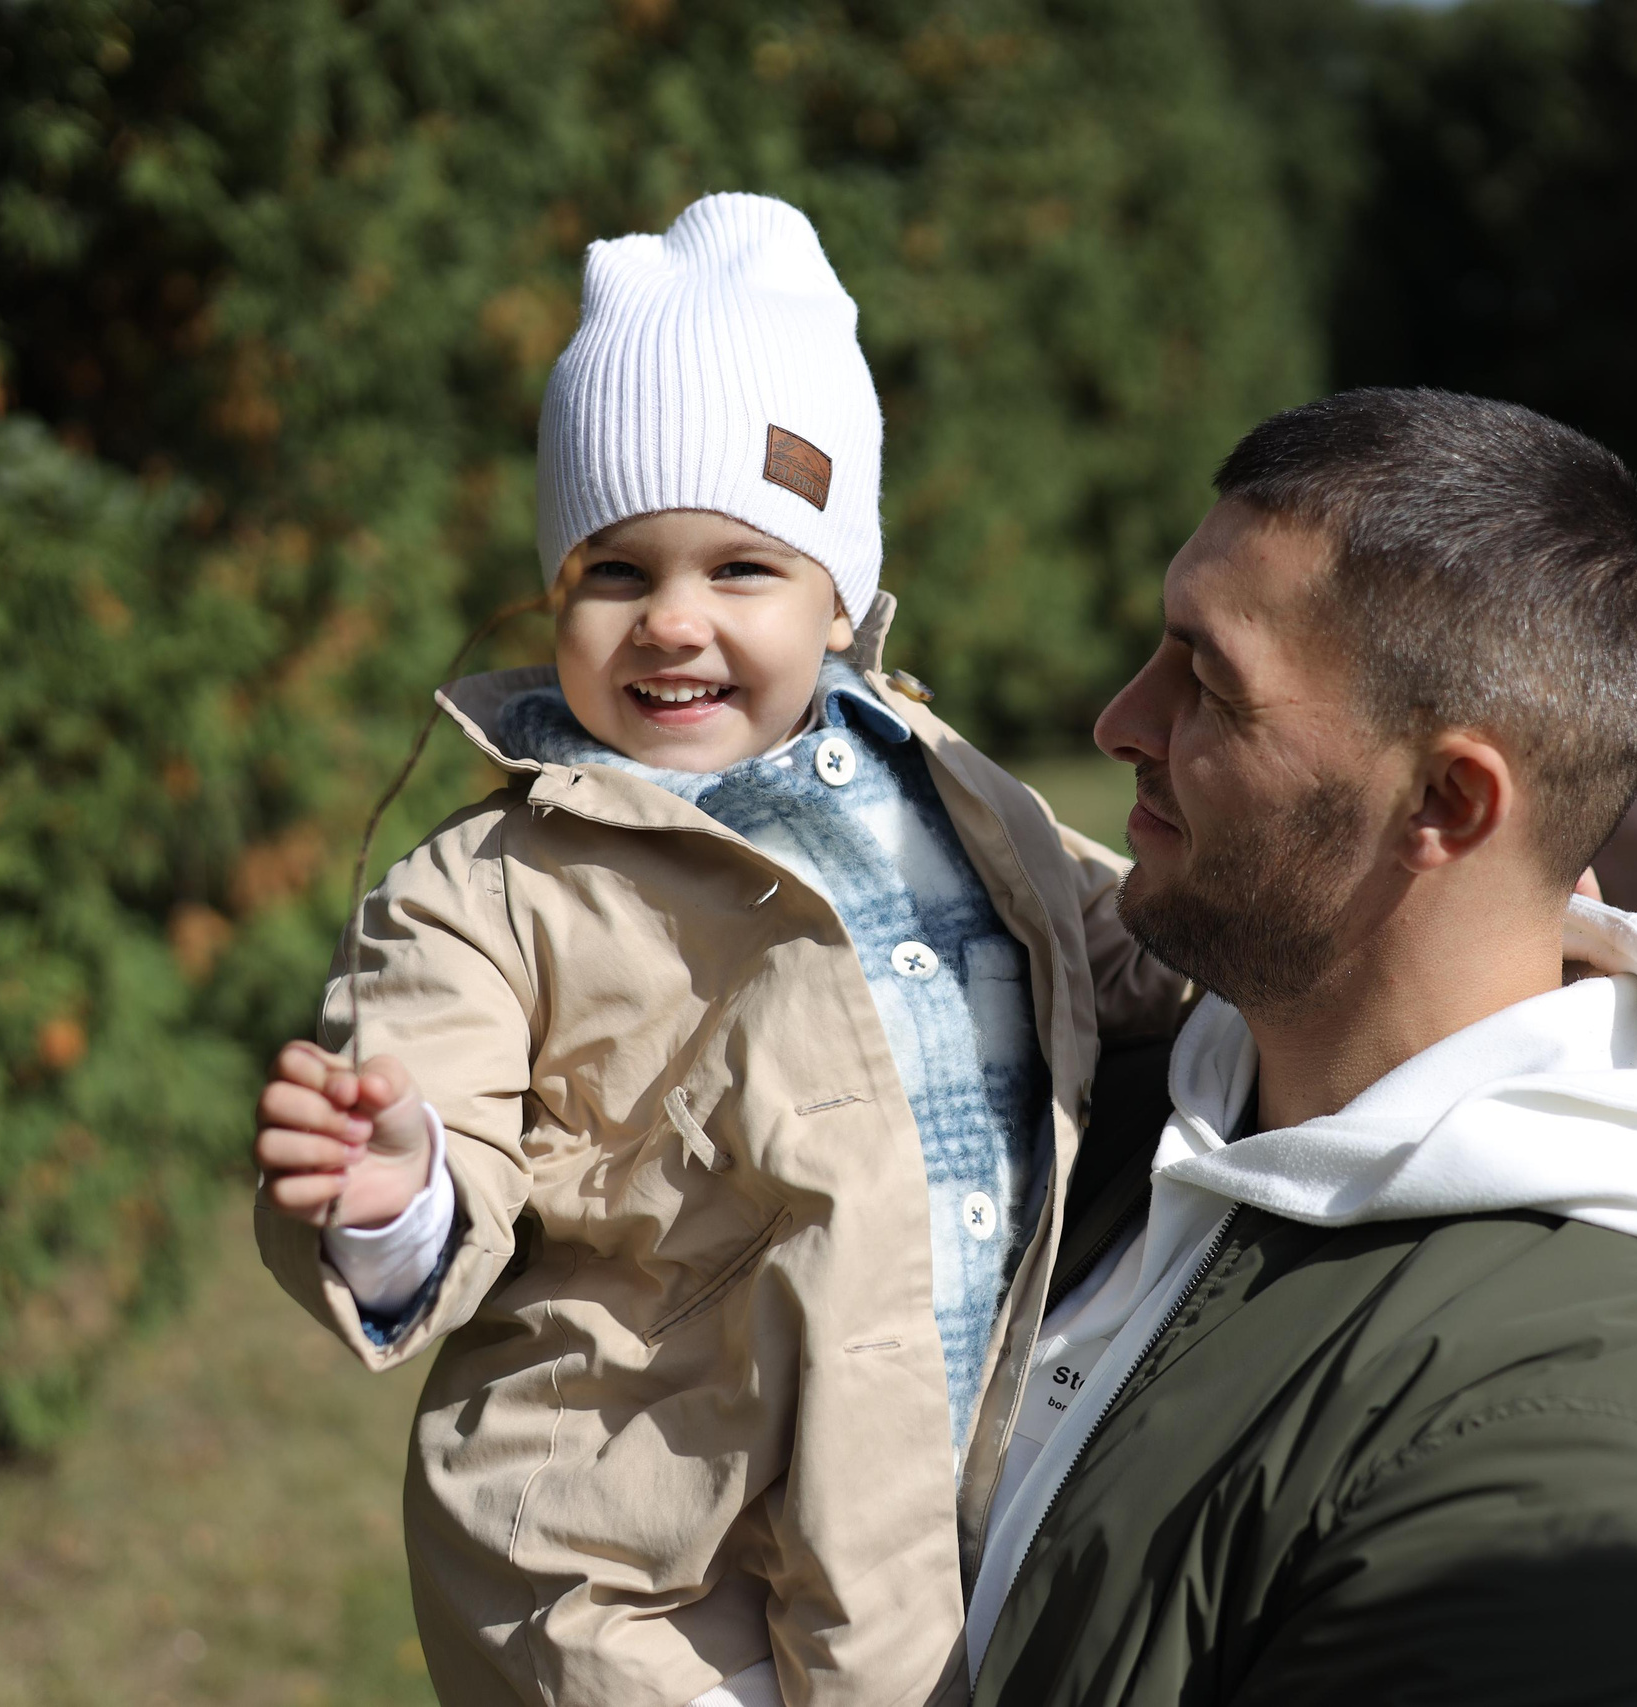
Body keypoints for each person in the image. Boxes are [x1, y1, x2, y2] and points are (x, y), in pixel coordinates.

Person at [247, 193, 1184, 1707]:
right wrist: (398, 1197)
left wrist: (1429, 932)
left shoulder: (953, 797)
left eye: (741, 569)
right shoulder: (488, 890)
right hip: (638, 1582)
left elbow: (1139, 952)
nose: (673, 622)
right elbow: (437, 1116)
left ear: (841, 599)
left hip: (939, 1509)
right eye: (617, 572)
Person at [967, 389, 1637, 1706]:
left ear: (1444, 801)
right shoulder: (1133, 1102)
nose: (1122, 722)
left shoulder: (1571, 1457)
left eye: (1210, 685)